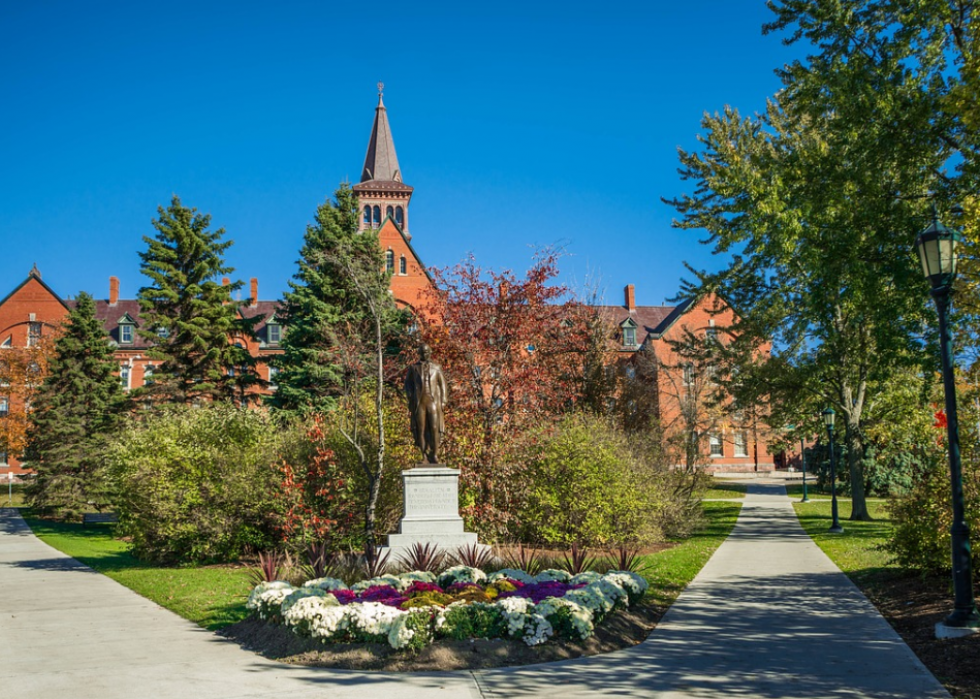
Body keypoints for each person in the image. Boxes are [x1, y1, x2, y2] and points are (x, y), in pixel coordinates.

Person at [404, 344, 448, 464]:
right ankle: (424, 455)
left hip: (433, 402)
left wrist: (444, 400)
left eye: (427, 352)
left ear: (430, 352)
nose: (425, 354)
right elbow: (407, 384)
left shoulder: (437, 367)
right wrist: (410, 395)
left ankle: (434, 454)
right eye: (423, 352)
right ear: (420, 353)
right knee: (421, 429)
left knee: (434, 428)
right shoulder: (413, 368)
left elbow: (443, 384)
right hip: (420, 402)